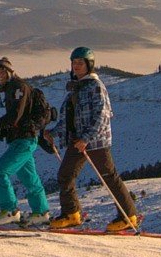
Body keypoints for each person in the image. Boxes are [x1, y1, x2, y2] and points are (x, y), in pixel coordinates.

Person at [47, 47, 139, 232]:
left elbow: (101, 115)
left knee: (109, 177)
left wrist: (86, 138)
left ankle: (128, 216)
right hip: (77, 141)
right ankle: (71, 214)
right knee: (65, 175)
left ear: (89, 65)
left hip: (95, 142)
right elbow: (69, 119)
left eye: (80, 63)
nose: (76, 66)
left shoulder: (95, 86)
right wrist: (53, 133)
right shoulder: (76, 88)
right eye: (74, 63)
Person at [0, 57, 50, 226]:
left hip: (24, 139)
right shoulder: (11, 89)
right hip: (21, 139)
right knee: (28, 177)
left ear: (10, 72)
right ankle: (41, 212)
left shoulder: (18, 87)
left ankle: (11, 210)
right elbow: (17, 118)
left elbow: (16, 115)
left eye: (2, 71)